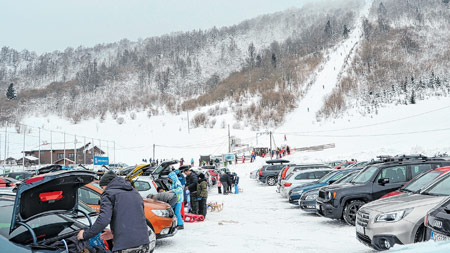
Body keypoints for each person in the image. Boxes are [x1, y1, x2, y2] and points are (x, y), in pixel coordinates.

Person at [76, 171, 150, 252]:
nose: (103, 190)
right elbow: (134, 218)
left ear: (106, 185)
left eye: (102, 187)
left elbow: (103, 220)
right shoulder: (134, 193)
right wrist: (115, 233)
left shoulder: (108, 194)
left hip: (125, 246)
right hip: (143, 242)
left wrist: (85, 235)